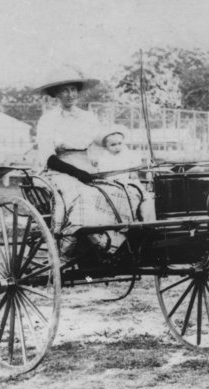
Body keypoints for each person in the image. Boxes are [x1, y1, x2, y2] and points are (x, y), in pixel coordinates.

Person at [34, 68, 141, 256]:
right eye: (65, 90)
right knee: (82, 195)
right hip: (60, 171)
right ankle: (78, 244)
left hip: (88, 169)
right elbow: (49, 158)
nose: (70, 95)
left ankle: (116, 243)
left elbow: (103, 143)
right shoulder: (48, 120)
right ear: (56, 94)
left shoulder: (88, 117)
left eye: (73, 89)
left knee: (122, 191)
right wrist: (76, 173)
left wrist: (125, 160)